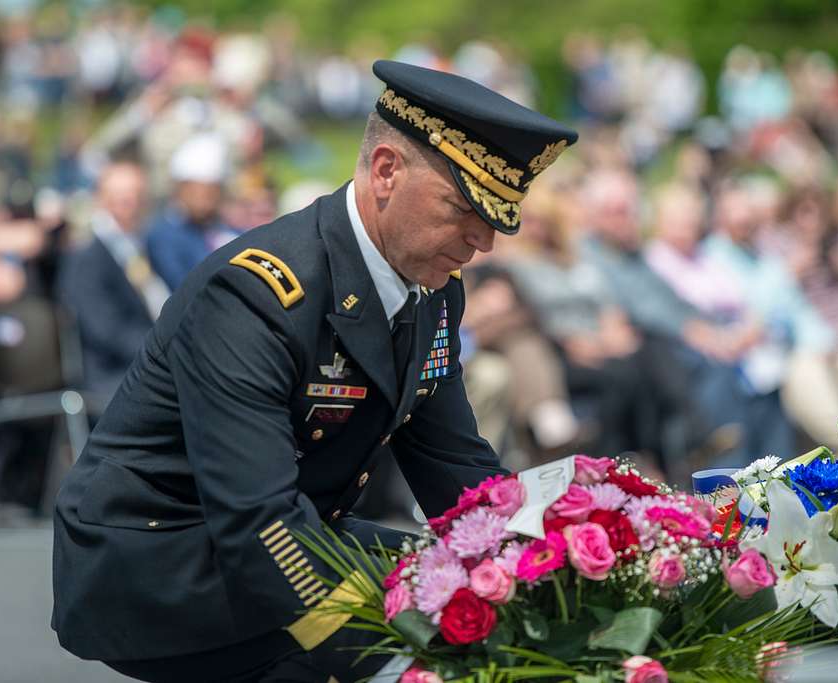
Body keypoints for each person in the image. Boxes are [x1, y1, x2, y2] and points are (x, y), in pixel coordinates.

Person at [51, 59, 577, 682]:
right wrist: (385, 657)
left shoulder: (430, 288)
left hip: (286, 533)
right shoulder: (256, 296)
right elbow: (256, 521)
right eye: (464, 207)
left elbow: (454, 464)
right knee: (405, 650)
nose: (482, 241)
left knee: (478, 604)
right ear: (386, 171)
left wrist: (549, 563)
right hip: (158, 558)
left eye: (494, 219)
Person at [59, 161, 169, 399]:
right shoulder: (87, 256)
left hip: (148, 362)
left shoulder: (142, 247)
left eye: (136, 195)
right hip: (113, 376)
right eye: (119, 197)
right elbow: (106, 332)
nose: (130, 204)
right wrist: (165, 351)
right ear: (101, 199)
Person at [145, 132, 240, 291]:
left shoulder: (230, 232)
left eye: (212, 191)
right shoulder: (163, 236)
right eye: (197, 190)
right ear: (181, 189)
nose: (206, 199)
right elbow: (183, 285)